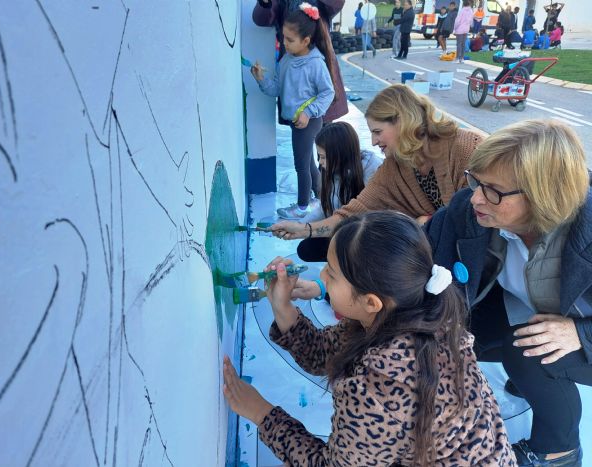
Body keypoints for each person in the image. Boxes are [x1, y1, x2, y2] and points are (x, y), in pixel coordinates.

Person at [222, 211, 517, 466]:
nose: (321, 277)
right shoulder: (412, 312)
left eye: (332, 273)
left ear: (372, 302)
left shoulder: (381, 390)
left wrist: (261, 412)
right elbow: (324, 353)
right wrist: (282, 307)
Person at [425, 119, 592, 466]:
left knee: (527, 353)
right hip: (532, 311)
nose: (475, 197)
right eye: (476, 180)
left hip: (581, 333)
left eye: (493, 190)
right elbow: (425, 264)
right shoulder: (469, 210)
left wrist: (580, 333)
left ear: (543, 195)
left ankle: (559, 451)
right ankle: (530, 378)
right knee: (450, 331)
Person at [268, 84, 484, 262]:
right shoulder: (393, 167)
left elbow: (476, 218)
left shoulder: (466, 148)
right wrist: (304, 229)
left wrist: (428, 222)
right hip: (430, 255)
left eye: (378, 132)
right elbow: (352, 212)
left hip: (478, 258)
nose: (372, 141)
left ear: (404, 121)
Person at [251, 5, 335, 220]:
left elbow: (328, 93)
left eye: (290, 40)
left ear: (306, 40)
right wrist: (261, 79)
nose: (285, 43)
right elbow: (277, 88)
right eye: (283, 38)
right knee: (307, 162)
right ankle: (322, 197)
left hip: (309, 122)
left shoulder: (316, 64)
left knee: (301, 165)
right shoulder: (287, 58)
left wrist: (308, 112)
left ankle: (302, 207)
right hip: (296, 121)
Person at [252, 0, 348, 124]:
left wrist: (309, 111)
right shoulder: (286, 62)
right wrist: (265, 2)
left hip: (320, 60)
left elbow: (336, 4)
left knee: (326, 134)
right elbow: (261, 19)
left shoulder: (317, 63)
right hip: (293, 71)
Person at [298, 122, 382, 261]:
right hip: (341, 229)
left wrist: (306, 229)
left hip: (365, 236)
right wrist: (299, 225)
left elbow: (371, 217)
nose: (320, 162)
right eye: (319, 156)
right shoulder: (331, 171)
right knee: (306, 249)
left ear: (340, 154)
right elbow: (324, 208)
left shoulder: (372, 170)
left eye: (323, 157)